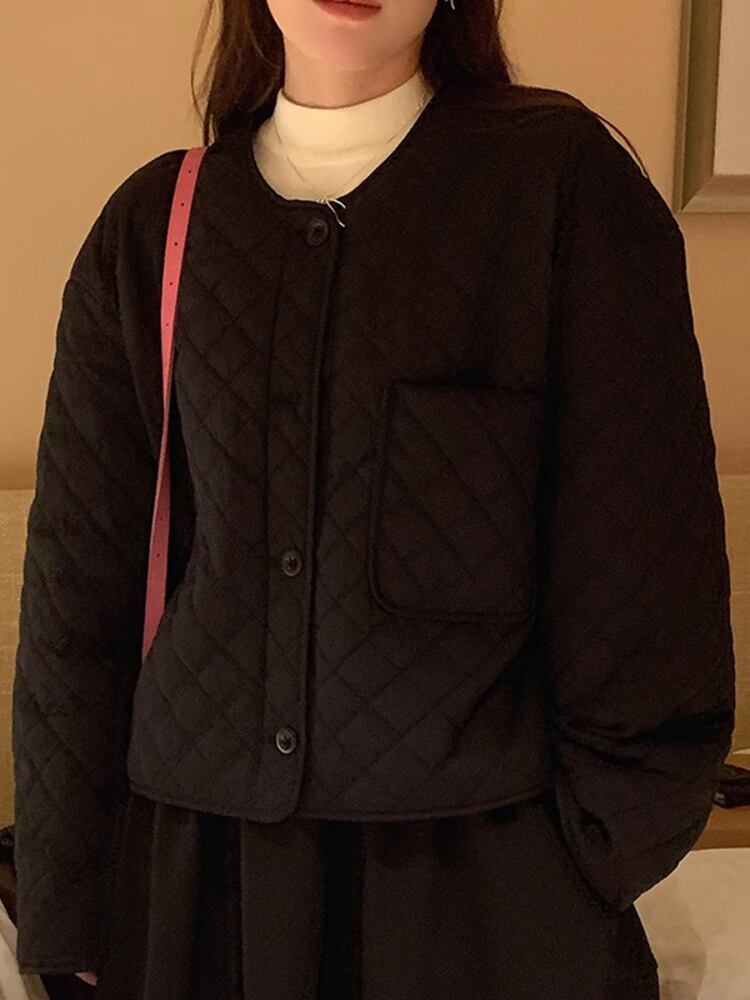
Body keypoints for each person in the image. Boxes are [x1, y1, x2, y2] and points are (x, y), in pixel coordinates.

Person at [12, 0, 736, 997]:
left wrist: (590, 863)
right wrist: (68, 916)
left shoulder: (564, 191)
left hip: (485, 900)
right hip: (197, 896)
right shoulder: (150, 228)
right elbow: (75, 604)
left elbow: (648, 578)